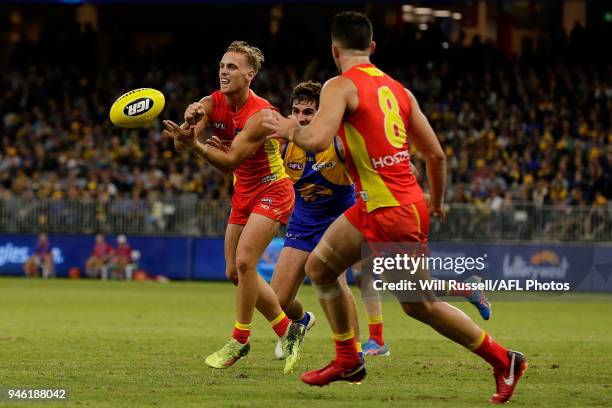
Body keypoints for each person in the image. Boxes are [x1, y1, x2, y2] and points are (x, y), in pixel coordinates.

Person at [264, 11, 525, 403]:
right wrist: (435, 202)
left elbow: (316, 139)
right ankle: (348, 358)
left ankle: (504, 359)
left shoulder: (340, 85)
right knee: (319, 266)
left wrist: (288, 129)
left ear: (335, 50)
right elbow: (435, 155)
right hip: (387, 203)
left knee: (421, 306)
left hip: (389, 210)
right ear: (372, 48)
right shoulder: (400, 91)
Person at [162, 41, 300, 373]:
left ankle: (239, 339)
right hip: (244, 192)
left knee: (245, 261)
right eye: (222, 66)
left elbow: (228, 162)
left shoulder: (261, 116)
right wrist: (189, 124)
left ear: (250, 75)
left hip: (273, 188)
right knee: (234, 272)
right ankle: (289, 329)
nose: (224, 71)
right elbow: (195, 122)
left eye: (232, 67)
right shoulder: (214, 101)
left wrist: (193, 144)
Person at [269, 81, 360, 359]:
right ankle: (301, 321)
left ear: (322, 114)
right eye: (296, 111)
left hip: (340, 222)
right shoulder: (284, 146)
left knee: (337, 282)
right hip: (302, 223)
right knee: (277, 300)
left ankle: (354, 353)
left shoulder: (340, 141)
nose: (300, 118)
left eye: (308, 112)